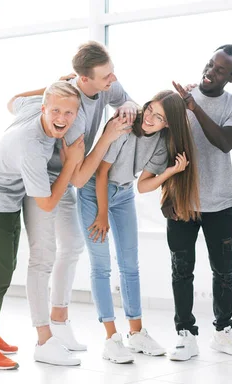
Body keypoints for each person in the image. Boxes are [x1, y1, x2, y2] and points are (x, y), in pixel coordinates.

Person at [8, 41, 139, 365]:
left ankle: (60, 320)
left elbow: (127, 98)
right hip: (44, 180)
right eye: (106, 76)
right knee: (43, 257)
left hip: (63, 179)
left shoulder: (106, 86)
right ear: (84, 79)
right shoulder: (73, 113)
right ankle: (44, 338)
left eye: (111, 73)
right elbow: (80, 178)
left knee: (73, 246)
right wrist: (107, 135)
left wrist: (130, 105)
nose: (113, 79)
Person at [0, 82, 85, 370]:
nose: (62, 118)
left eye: (69, 112)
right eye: (56, 110)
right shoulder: (32, 146)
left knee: (1, 270)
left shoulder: (32, 107)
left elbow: (13, 101)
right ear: (44, 108)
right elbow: (45, 204)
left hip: (5, 201)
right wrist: (70, 164)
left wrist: (56, 83)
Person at [77, 90, 200, 364]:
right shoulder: (124, 126)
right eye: (150, 110)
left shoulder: (161, 142)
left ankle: (136, 333)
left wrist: (169, 172)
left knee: (130, 264)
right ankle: (111, 339)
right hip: (94, 192)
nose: (151, 118)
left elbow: (144, 185)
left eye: (159, 117)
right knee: (101, 266)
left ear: (167, 124)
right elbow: (101, 173)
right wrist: (102, 213)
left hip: (124, 194)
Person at [167, 45, 232, 361]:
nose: (210, 71)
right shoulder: (180, 99)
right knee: (181, 271)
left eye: (219, 70)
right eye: (209, 64)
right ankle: (185, 334)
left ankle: (223, 332)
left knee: (224, 272)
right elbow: (162, 144)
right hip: (182, 204)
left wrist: (195, 107)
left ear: (231, 77)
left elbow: (224, 142)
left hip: (219, 203)